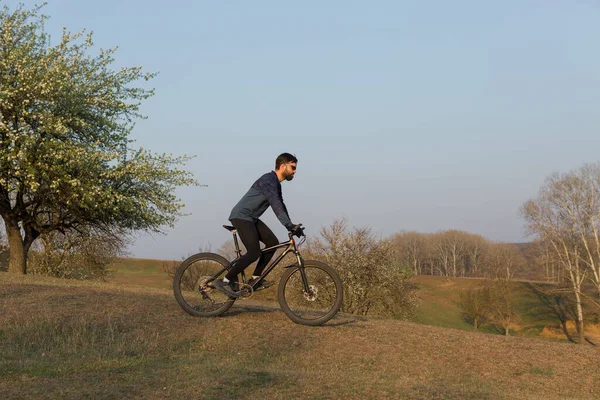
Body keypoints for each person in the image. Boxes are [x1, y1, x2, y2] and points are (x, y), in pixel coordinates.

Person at [212, 153, 302, 297]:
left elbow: (281, 205)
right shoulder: (268, 180)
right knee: (254, 252)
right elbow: (275, 204)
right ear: (283, 166)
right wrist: (288, 225)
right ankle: (224, 280)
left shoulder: (276, 184)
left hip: (251, 218)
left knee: (272, 243)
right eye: (293, 167)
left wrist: (291, 226)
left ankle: (255, 279)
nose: (295, 171)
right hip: (241, 216)